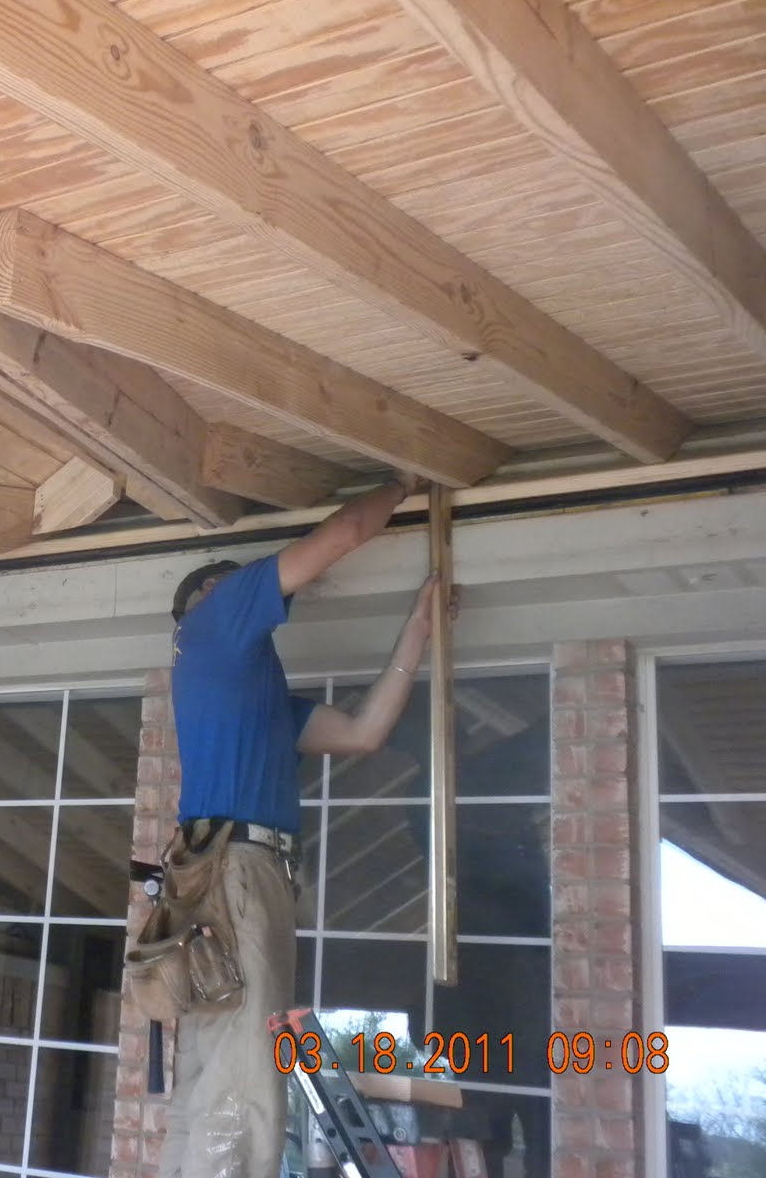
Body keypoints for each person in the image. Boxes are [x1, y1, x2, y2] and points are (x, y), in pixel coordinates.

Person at [160, 472, 454, 1178]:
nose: (265, 596)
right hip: (236, 872)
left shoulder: (255, 705)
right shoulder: (213, 621)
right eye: (244, 585)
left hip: (225, 874)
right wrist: (406, 480)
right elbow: (344, 532)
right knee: (245, 1082)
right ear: (213, 594)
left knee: (213, 1073)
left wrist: (418, 629)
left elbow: (360, 733)